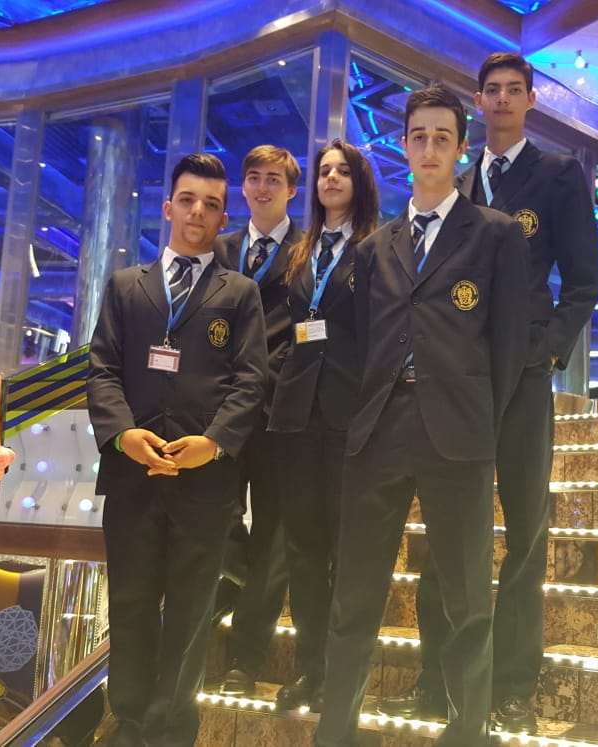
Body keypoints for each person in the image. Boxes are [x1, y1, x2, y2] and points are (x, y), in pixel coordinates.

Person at [379, 52, 598, 734]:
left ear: (530, 100)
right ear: (478, 102)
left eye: (514, 90)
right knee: (452, 532)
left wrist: (548, 351)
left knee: (526, 533)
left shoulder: (558, 175)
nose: (502, 99)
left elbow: (583, 283)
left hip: (525, 375)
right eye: (492, 90)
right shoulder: (460, 179)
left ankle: (512, 685)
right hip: (460, 375)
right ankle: (437, 678)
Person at [315, 86, 530, 747]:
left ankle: (468, 731)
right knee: (354, 596)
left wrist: (481, 418)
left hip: (458, 432)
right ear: (404, 146)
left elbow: (509, 344)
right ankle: (335, 732)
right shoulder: (374, 248)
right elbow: (356, 341)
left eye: (442, 137)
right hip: (379, 429)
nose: (430, 148)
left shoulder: (495, 234)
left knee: (467, 600)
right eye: (419, 136)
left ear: (461, 147)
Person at [86, 153, 267, 747]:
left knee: (191, 613)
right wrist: (123, 435)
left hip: (205, 483)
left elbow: (251, 382)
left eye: (211, 204)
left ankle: (170, 731)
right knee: (130, 604)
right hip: (132, 475)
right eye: (188, 200)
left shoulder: (239, 293)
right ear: (168, 207)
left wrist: (213, 444)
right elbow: (102, 371)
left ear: (223, 218)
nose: (198, 212)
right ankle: (130, 722)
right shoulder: (125, 287)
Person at [267, 139, 380, 711]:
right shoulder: (301, 250)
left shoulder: (376, 248)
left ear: (359, 181)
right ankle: (309, 668)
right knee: (304, 550)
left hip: (349, 413)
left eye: (342, 171)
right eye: (324, 171)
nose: (331, 178)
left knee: (345, 549)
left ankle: (341, 672)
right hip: (295, 414)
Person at [214, 145, 305, 696]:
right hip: (221, 411)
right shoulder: (220, 248)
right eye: (254, 178)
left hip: (280, 410)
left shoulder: (308, 251)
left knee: (274, 532)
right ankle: (240, 578)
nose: (263, 187)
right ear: (243, 187)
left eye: (274, 179)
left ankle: (245, 659)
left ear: (292, 190)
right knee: (217, 518)